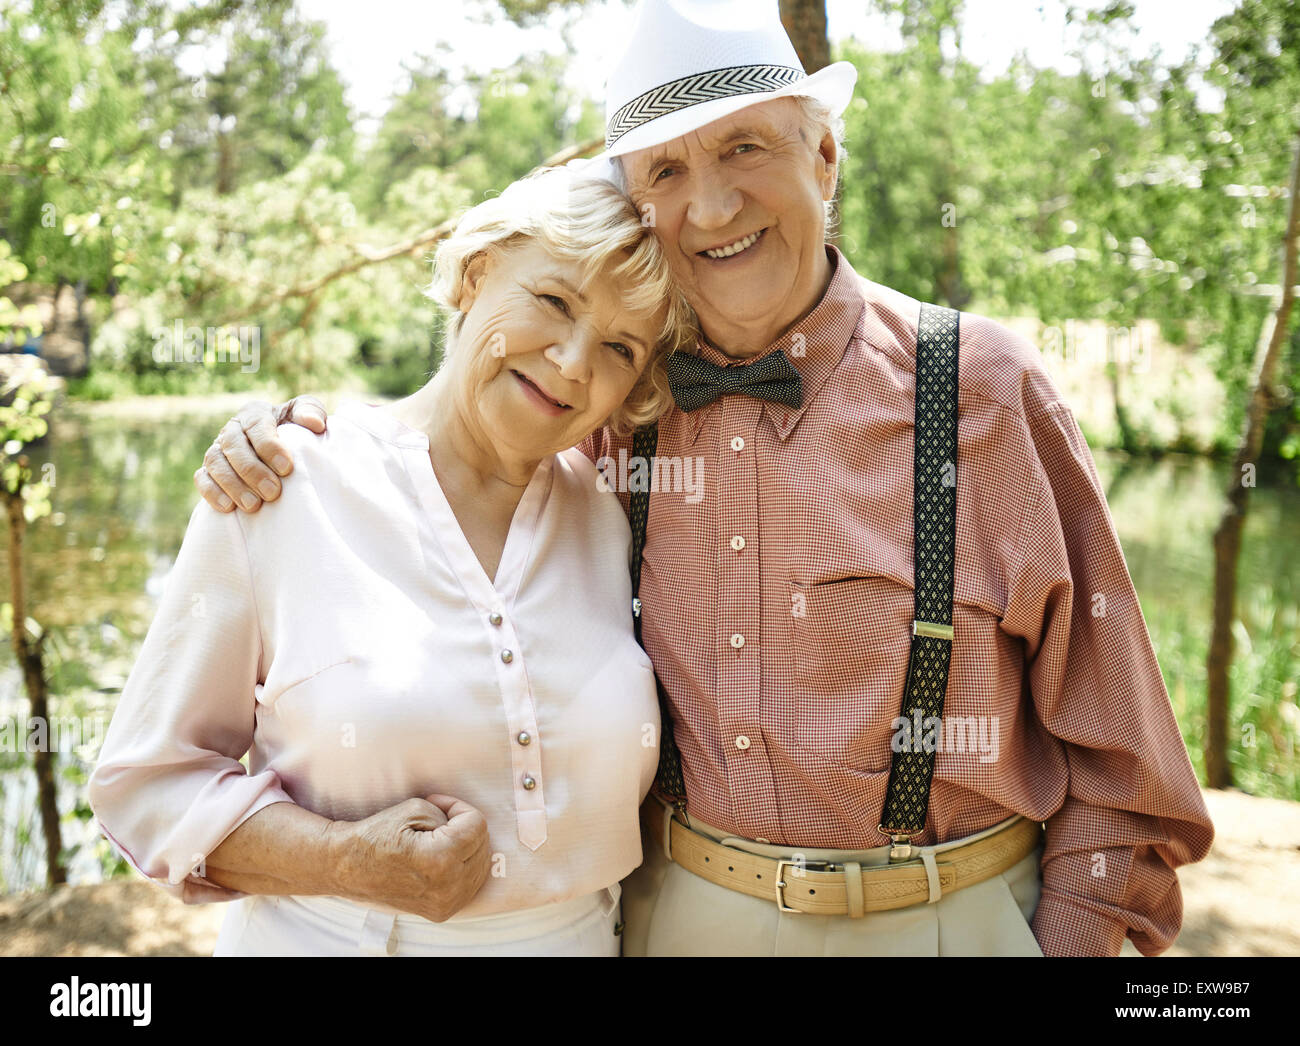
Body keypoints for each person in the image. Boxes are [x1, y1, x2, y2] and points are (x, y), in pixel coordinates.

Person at [194, 0, 1215, 956]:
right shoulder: (606, 408)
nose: (712, 202)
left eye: (744, 147)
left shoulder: (981, 391)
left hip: (946, 917)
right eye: (666, 171)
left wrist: (1068, 941)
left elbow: (1124, 760)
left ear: (823, 157)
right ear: (637, 208)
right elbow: (447, 458)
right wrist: (292, 434)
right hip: (678, 918)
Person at [88, 164, 697, 956]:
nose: (576, 362)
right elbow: (148, 788)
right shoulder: (284, 483)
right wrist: (343, 862)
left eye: (619, 347)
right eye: (553, 302)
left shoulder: (618, 511)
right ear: (477, 274)